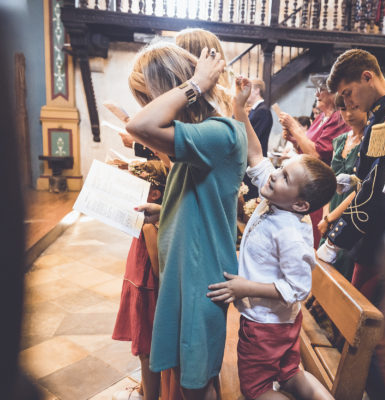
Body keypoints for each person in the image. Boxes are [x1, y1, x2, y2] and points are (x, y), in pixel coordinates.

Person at [125, 42, 247, 400]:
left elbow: (140, 126)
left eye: (150, 97)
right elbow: (204, 199)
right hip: (183, 275)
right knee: (184, 377)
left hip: (200, 279)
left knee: (196, 387)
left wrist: (196, 83)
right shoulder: (201, 136)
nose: (149, 107)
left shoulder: (220, 132)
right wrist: (165, 212)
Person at [207, 77, 335, 400]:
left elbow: (296, 288)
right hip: (281, 326)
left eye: (285, 176)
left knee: (257, 389)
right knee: (291, 374)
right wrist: (240, 109)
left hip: (266, 325)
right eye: (280, 168)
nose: (275, 174)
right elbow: (256, 155)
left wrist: (243, 287)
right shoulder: (278, 198)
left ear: (301, 204)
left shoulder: (291, 231)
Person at [317, 49, 385, 399]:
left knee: (375, 337)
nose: (348, 102)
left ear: (367, 76)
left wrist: (335, 240)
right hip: (376, 237)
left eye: (348, 94)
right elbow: (372, 177)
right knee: (362, 334)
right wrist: (353, 179)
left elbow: (383, 197)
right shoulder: (383, 112)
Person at [112, 161, 169, 400]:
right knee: (143, 346)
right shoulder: (146, 217)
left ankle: (150, 396)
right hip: (137, 283)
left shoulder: (150, 224)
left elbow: (158, 269)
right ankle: (145, 389)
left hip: (146, 289)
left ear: (154, 194)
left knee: (146, 350)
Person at [279, 75, 349, 248]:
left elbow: (317, 154)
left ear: (333, 94)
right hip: (308, 181)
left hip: (321, 184)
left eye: (321, 89)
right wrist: (295, 140)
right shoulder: (322, 117)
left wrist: (295, 127)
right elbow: (306, 148)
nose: (317, 93)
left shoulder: (338, 118)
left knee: (313, 239)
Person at [317, 93, 367, 280]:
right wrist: (325, 215)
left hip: (350, 211)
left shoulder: (369, 143)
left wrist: (331, 218)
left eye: (354, 107)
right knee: (323, 263)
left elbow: (361, 189)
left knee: (342, 264)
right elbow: (330, 181)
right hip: (330, 209)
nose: (348, 114)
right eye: (343, 108)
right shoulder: (340, 140)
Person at [243, 78, 273, 200]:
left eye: (248, 89)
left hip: (254, 159)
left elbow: (252, 137)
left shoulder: (263, 111)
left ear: (256, 90)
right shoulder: (254, 110)